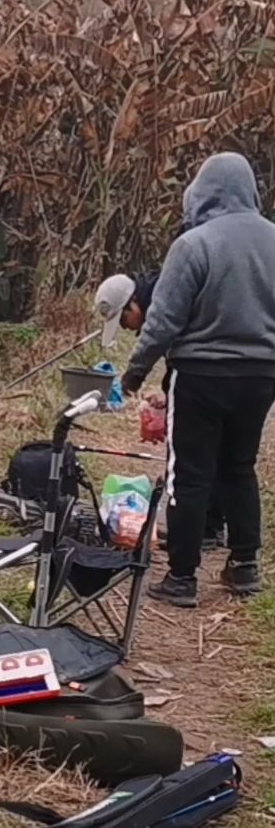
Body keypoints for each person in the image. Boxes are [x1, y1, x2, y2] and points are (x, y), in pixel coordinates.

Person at [121, 152, 275, 607]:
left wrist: (134, 374)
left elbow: (163, 321)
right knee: (239, 466)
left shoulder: (193, 244)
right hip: (262, 376)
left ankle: (182, 578)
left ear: (203, 193)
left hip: (202, 374)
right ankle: (244, 566)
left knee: (189, 474)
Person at [94, 270, 227, 549]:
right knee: (226, 459)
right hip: (233, 374)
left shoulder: (165, 300)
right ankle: (212, 529)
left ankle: (190, 541)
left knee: (189, 463)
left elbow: (173, 345)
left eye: (123, 319)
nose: (129, 329)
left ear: (133, 303)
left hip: (209, 374)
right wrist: (170, 395)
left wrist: (134, 377)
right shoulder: (165, 292)